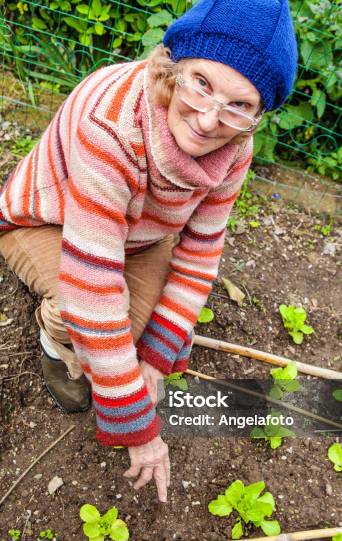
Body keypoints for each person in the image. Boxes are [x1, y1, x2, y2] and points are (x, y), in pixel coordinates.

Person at [0, 0, 298, 502]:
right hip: (49, 220)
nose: (209, 121)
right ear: (173, 65)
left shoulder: (235, 147)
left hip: (138, 233)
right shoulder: (113, 122)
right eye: (201, 83)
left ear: (257, 113)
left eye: (239, 105)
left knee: (144, 340)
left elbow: (202, 249)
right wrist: (138, 427)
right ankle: (54, 341)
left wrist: (157, 362)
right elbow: (92, 284)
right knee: (86, 315)